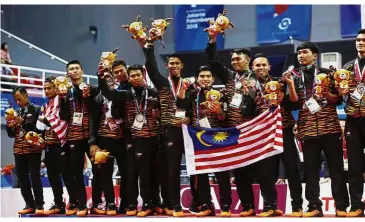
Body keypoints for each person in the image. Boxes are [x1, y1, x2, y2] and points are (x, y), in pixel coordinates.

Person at [291, 42, 349, 217]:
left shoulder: (328, 74)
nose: (301, 56)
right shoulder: (293, 77)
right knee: (310, 170)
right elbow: (293, 103)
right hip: (307, 130)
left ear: (314, 55)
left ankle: (341, 206)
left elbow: (338, 100)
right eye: (299, 53)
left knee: (336, 169)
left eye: (305, 52)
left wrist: (325, 94)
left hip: (330, 128)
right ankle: (314, 206)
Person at [205, 32, 258, 217]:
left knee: (254, 171)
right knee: (234, 170)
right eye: (232, 59)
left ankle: (260, 205)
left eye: (238, 58)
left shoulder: (257, 77)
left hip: (253, 129)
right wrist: (212, 40)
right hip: (232, 130)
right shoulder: (229, 77)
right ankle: (237, 206)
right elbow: (213, 63)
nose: (234, 61)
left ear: (248, 60)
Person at [98, 64, 160, 217]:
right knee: (132, 173)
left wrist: (158, 115)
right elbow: (108, 93)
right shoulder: (125, 94)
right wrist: (100, 76)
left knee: (152, 173)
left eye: (138, 75)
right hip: (133, 139)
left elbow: (162, 112)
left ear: (143, 75)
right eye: (132, 76)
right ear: (129, 78)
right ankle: (134, 203)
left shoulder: (153, 93)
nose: (135, 78)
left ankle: (151, 203)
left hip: (153, 138)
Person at [143, 40, 193, 217]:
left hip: (188, 132)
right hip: (169, 130)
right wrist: (148, 47)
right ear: (167, 65)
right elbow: (151, 68)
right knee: (170, 170)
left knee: (193, 168)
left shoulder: (189, 85)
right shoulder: (162, 83)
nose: (174, 66)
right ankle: (174, 205)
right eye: (171, 63)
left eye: (177, 63)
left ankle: (198, 203)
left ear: (182, 65)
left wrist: (190, 117)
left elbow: (193, 106)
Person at [177, 66, 231, 217]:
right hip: (198, 138)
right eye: (202, 76)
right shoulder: (192, 94)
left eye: (208, 76)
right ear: (197, 79)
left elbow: (225, 118)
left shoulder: (222, 94)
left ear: (213, 79)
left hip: (217, 137)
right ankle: (206, 205)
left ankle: (226, 206)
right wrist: (186, 117)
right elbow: (183, 109)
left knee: (222, 173)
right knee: (201, 175)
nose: (205, 78)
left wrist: (219, 111)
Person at [59, 60, 99, 216]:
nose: (74, 71)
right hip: (74, 136)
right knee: (76, 172)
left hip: (90, 137)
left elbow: (96, 111)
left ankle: (96, 203)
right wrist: (62, 98)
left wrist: (87, 96)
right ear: (67, 73)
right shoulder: (64, 91)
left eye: (76, 68)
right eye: (71, 69)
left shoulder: (91, 89)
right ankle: (81, 204)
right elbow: (63, 116)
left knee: (98, 169)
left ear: (82, 71)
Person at [36, 76, 76, 215]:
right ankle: (58, 203)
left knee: (66, 175)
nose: (46, 91)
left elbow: (60, 119)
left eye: (49, 88)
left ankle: (75, 203)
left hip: (61, 143)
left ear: (56, 88)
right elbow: (43, 126)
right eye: (44, 88)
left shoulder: (61, 100)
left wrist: (42, 118)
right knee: (52, 176)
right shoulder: (47, 105)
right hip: (49, 145)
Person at [5, 86, 44, 215]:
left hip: (33, 149)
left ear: (26, 95)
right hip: (18, 150)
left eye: (19, 99)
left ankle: (39, 205)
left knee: (35, 177)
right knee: (22, 178)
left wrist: (24, 123)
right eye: (15, 100)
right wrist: (9, 126)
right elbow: (12, 134)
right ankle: (29, 204)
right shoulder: (15, 112)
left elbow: (39, 130)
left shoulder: (37, 110)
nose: (17, 102)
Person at [341, 28, 365, 217]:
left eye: (364, 40)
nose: (360, 43)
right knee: (355, 164)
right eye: (358, 40)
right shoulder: (348, 67)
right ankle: (356, 205)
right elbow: (342, 97)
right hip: (353, 119)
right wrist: (342, 94)